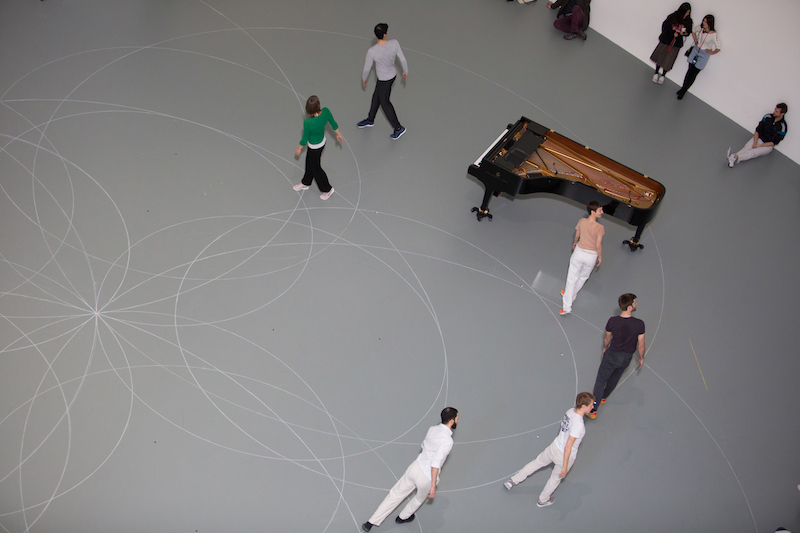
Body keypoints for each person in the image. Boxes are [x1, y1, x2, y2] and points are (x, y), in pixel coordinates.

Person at [361, 408, 459, 532]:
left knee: (395, 494)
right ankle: (403, 517)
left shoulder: (432, 429)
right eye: (457, 418)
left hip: (415, 466)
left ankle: (370, 522)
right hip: (427, 477)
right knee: (418, 499)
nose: (457, 420)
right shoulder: (447, 441)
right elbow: (436, 464)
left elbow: (424, 445)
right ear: (451, 421)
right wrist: (433, 485)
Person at [503, 392, 595, 507]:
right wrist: (565, 466)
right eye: (591, 405)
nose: (592, 407)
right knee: (554, 480)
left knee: (536, 463)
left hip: (554, 447)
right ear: (584, 406)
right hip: (564, 456)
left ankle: (513, 481)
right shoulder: (579, 425)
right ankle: (543, 500)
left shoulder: (570, 412)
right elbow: (568, 446)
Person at [588, 293, 646, 419]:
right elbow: (641, 344)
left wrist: (605, 348)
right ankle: (604, 396)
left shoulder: (612, 321)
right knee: (615, 378)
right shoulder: (639, 324)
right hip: (626, 357)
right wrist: (641, 358)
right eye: (635, 302)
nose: (636, 304)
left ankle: (593, 410)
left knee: (600, 381)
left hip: (612, 354)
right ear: (630, 307)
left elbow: (607, 338)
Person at [357, 23, 408, 140]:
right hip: (391, 77)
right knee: (376, 97)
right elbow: (402, 59)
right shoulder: (394, 43)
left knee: (384, 102)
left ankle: (398, 128)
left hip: (384, 80)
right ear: (385, 33)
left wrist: (364, 78)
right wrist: (405, 71)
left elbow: (367, 68)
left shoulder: (372, 51)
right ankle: (370, 119)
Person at [293, 95, 343, 200]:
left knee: (316, 169)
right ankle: (306, 182)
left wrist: (299, 148)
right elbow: (333, 123)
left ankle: (328, 189)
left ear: (308, 110)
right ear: (318, 105)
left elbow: (304, 138)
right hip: (322, 143)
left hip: (314, 147)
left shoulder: (308, 122)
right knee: (309, 162)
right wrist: (338, 134)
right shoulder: (326, 112)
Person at [560, 201, 604, 315]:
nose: (602, 212)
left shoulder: (582, 221)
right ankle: (571, 296)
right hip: (591, 256)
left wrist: (575, 242)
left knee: (571, 278)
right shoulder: (600, 227)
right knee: (583, 278)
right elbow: (598, 245)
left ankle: (567, 306)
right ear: (593, 212)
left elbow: (576, 235)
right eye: (600, 210)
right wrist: (600, 256)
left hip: (579, 253)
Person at [676, 14, 721, 100]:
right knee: (689, 72)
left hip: (703, 55)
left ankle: (684, 91)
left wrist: (712, 52)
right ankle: (682, 89)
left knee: (693, 74)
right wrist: (696, 40)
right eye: (703, 21)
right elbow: (693, 30)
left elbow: (718, 47)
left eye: (706, 22)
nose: (703, 23)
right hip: (695, 51)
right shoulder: (701, 28)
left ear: (710, 23)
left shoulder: (713, 34)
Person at [649, 3, 692, 84]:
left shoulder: (688, 21)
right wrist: (672, 33)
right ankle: (656, 72)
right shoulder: (673, 16)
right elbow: (665, 26)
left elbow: (688, 32)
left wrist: (683, 33)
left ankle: (663, 75)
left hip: (676, 44)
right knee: (660, 55)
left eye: (688, 12)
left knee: (669, 59)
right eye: (686, 12)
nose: (687, 14)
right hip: (666, 40)